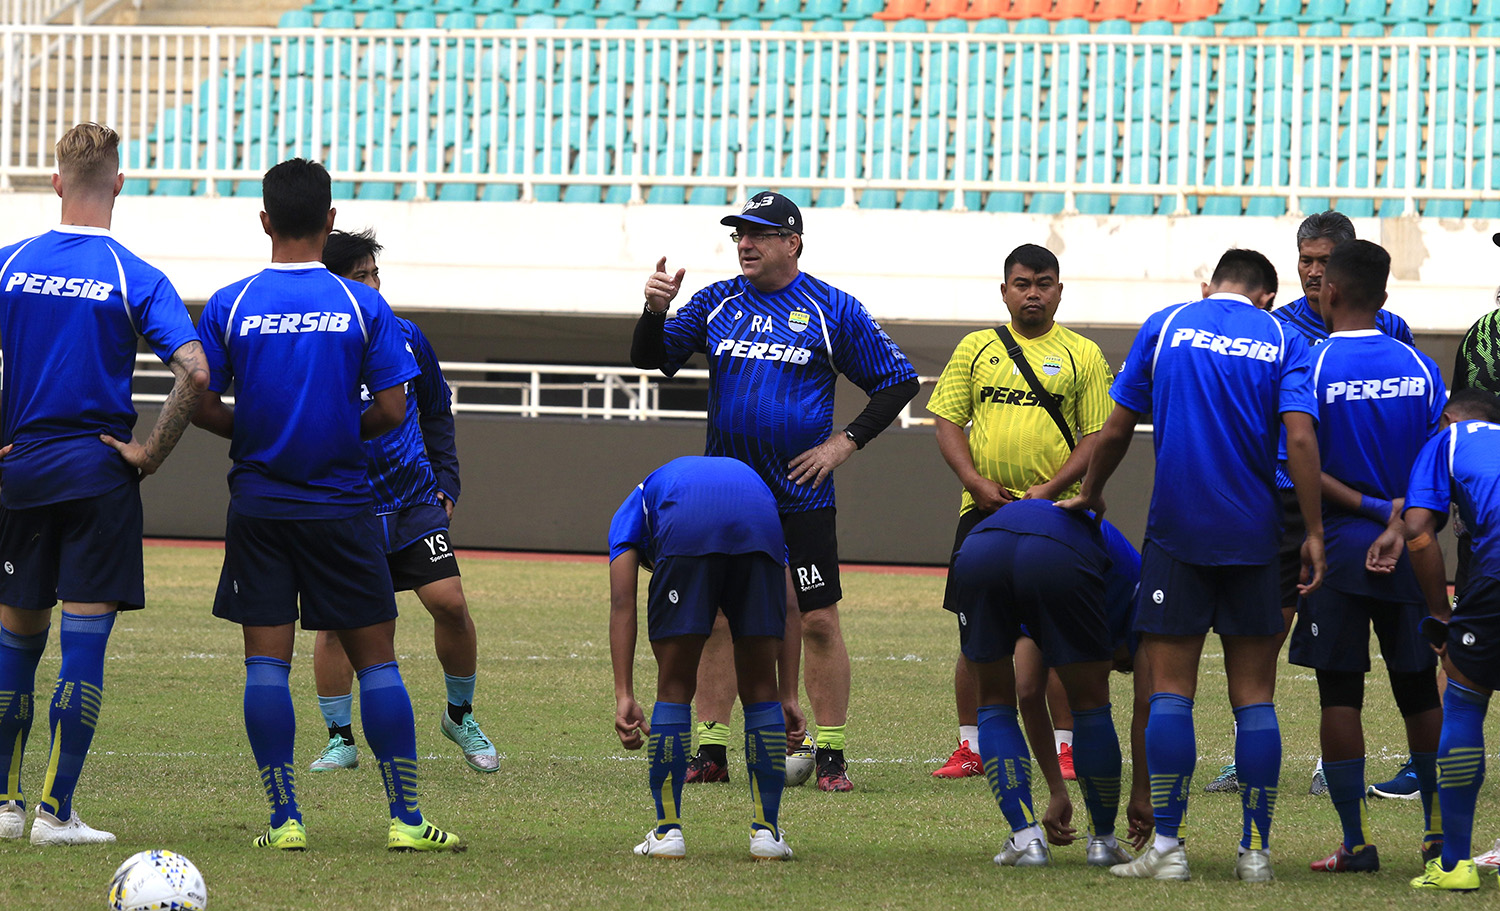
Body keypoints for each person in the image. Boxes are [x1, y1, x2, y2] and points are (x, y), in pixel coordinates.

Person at [191, 159, 461, 852]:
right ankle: (404, 820)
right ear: (331, 220)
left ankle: (285, 821)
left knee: (265, 664)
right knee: (379, 662)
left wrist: (250, 434)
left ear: (264, 221)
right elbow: (397, 408)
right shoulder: (363, 306)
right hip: (343, 503)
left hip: (259, 506)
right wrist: (340, 431)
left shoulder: (230, 303)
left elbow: (200, 400)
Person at [631, 192, 919, 792]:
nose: (745, 243)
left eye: (758, 233)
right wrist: (654, 311)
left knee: (816, 620)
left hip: (799, 496)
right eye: (739, 234)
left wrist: (844, 444)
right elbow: (652, 361)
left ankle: (832, 755)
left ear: (793, 243)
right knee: (715, 620)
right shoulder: (716, 301)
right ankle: (711, 750)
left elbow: (897, 381)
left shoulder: (831, 309)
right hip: (726, 496)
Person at [1059, 248, 1326, 884]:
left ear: (1210, 287)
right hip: (1258, 539)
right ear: (1267, 294)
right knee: (1255, 699)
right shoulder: (1283, 336)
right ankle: (1255, 854)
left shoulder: (1167, 323)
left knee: (1171, 692)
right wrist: (1314, 531)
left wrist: (1094, 490)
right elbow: (1301, 437)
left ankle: (1169, 850)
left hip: (1177, 534)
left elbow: (1117, 429)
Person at [0, 122, 208, 846]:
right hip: (97, 476)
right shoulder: (134, 274)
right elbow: (196, 370)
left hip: (19, 476)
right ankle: (56, 813)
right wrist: (149, 452)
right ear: (118, 183)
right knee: (82, 647)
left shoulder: (11, 262)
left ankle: (2, 804)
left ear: (56, 183)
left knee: (15, 643)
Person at [1205, 210, 1416, 798]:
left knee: (1363, 639)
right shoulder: (1278, 327)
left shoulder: (1391, 328)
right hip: (1283, 498)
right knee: (1265, 629)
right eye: (1306, 261)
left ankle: (1333, 763)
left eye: (1326, 262)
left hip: (1361, 510)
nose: (1315, 273)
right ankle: (1250, 753)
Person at [307, 229, 496, 775]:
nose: (372, 284)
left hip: (415, 503)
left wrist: (448, 482)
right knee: (340, 626)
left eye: (374, 274)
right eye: (359, 275)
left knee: (451, 605)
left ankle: (459, 715)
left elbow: (437, 412)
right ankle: (340, 738)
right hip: (348, 505)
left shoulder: (409, 337)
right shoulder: (320, 341)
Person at [1285, 240, 1446, 873]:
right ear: (1383, 297)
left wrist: (1368, 509)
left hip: (1341, 551)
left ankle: (1356, 844)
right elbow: (1440, 462)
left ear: (1329, 293)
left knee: (1339, 695)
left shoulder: (1314, 364)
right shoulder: (1419, 366)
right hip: (1412, 547)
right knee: (1420, 694)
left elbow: (1302, 461)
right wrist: (1400, 513)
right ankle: (1437, 835)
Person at [925, 244, 1114, 780]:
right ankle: (971, 746)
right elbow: (947, 421)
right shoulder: (975, 348)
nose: (1033, 293)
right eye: (1023, 283)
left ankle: (1064, 747)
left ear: (1060, 289)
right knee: (975, 635)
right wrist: (975, 482)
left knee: (1056, 636)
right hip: (982, 512)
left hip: (1057, 516)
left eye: (1044, 283)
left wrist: (1050, 489)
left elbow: (1096, 437)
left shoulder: (1084, 354)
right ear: (1004, 289)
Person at [608, 455, 801, 860]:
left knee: (674, 686)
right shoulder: (747, 489)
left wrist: (624, 692)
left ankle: (666, 833)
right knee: (761, 690)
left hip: (685, 529)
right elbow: (791, 605)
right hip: (758, 520)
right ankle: (767, 834)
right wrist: (788, 696)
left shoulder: (633, 508)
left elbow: (622, 602)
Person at [951, 499, 1151, 868]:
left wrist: (1057, 790)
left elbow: (1027, 692)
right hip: (1055, 552)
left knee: (994, 700)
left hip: (980, 546)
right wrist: (1142, 793)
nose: (1108, 663)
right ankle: (1103, 842)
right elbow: (1147, 707)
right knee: (1090, 703)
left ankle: (1027, 841)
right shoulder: (1139, 597)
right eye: (1117, 662)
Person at [1367, 388, 1500, 891]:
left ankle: (1455, 865)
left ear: (1447, 418)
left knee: (1464, 702)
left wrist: (1440, 614)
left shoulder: (1447, 440)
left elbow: (1418, 531)